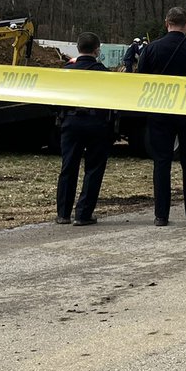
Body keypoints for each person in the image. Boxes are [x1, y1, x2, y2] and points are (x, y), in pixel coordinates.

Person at [138, 7, 186, 227]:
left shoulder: (151, 49)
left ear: (166, 23)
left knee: (161, 162)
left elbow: (140, 80)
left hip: (159, 112)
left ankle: (161, 214)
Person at [55, 32, 114, 227]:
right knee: (94, 169)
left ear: (78, 49)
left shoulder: (66, 70)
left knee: (68, 167)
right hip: (97, 124)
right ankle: (83, 213)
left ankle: (63, 213)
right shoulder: (103, 72)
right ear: (97, 50)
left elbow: (54, 98)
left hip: (70, 123)